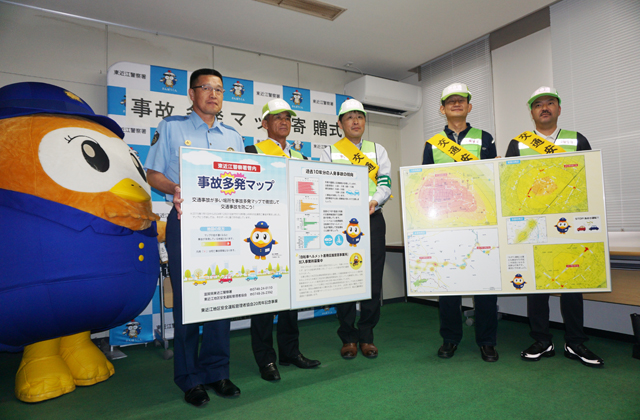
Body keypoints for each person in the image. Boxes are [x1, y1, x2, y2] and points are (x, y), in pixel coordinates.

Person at [145, 68, 244, 407]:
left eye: (219, 89)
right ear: (191, 93)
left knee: (220, 295)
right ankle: (189, 378)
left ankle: (217, 371)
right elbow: (153, 173)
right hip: (185, 221)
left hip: (226, 225)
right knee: (188, 299)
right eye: (206, 87)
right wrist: (175, 188)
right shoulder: (172, 127)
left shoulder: (233, 136)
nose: (213, 94)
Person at [505, 86, 604, 367]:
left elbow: (589, 179)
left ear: (559, 109)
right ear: (532, 112)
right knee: (536, 284)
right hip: (534, 224)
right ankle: (542, 340)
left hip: (569, 223)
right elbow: (511, 185)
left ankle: (575, 342)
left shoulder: (576, 139)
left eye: (550, 103)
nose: (544, 108)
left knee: (573, 282)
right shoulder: (518, 144)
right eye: (538, 105)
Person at [422, 83, 499, 362]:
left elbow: (493, 179)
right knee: (448, 283)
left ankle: (487, 341)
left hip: (481, 220)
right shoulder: (432, 143)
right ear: (442, 109)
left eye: (461, 100)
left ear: (469, 106)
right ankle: (450, 338)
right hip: (446, 223)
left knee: (486, 284)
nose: (456, 104)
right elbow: (425, 183)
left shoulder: (485, 138)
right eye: (450, 101)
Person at [245, 99, 320, 381]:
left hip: (295, 233)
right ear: (265, 124)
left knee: (291, 298)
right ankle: (265, 359)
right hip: (264, 237)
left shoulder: (301, 157)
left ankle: (290, 352)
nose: (284, 122)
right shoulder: (252, 152)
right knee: (264, 298)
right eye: (277, 117)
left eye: (287, 117)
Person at [320, 99, 391, 359]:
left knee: (373, 278)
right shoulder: (330, 152)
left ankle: (367, 336)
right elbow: (324, 184)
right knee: (345, 279)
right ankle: (348, 337)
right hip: (342, 222)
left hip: (372, 218)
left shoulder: (377, 150)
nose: (355, 121)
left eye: (359, 117)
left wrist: (374, 201)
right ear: (340, 124)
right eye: (349, 117)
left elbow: (385, 182)